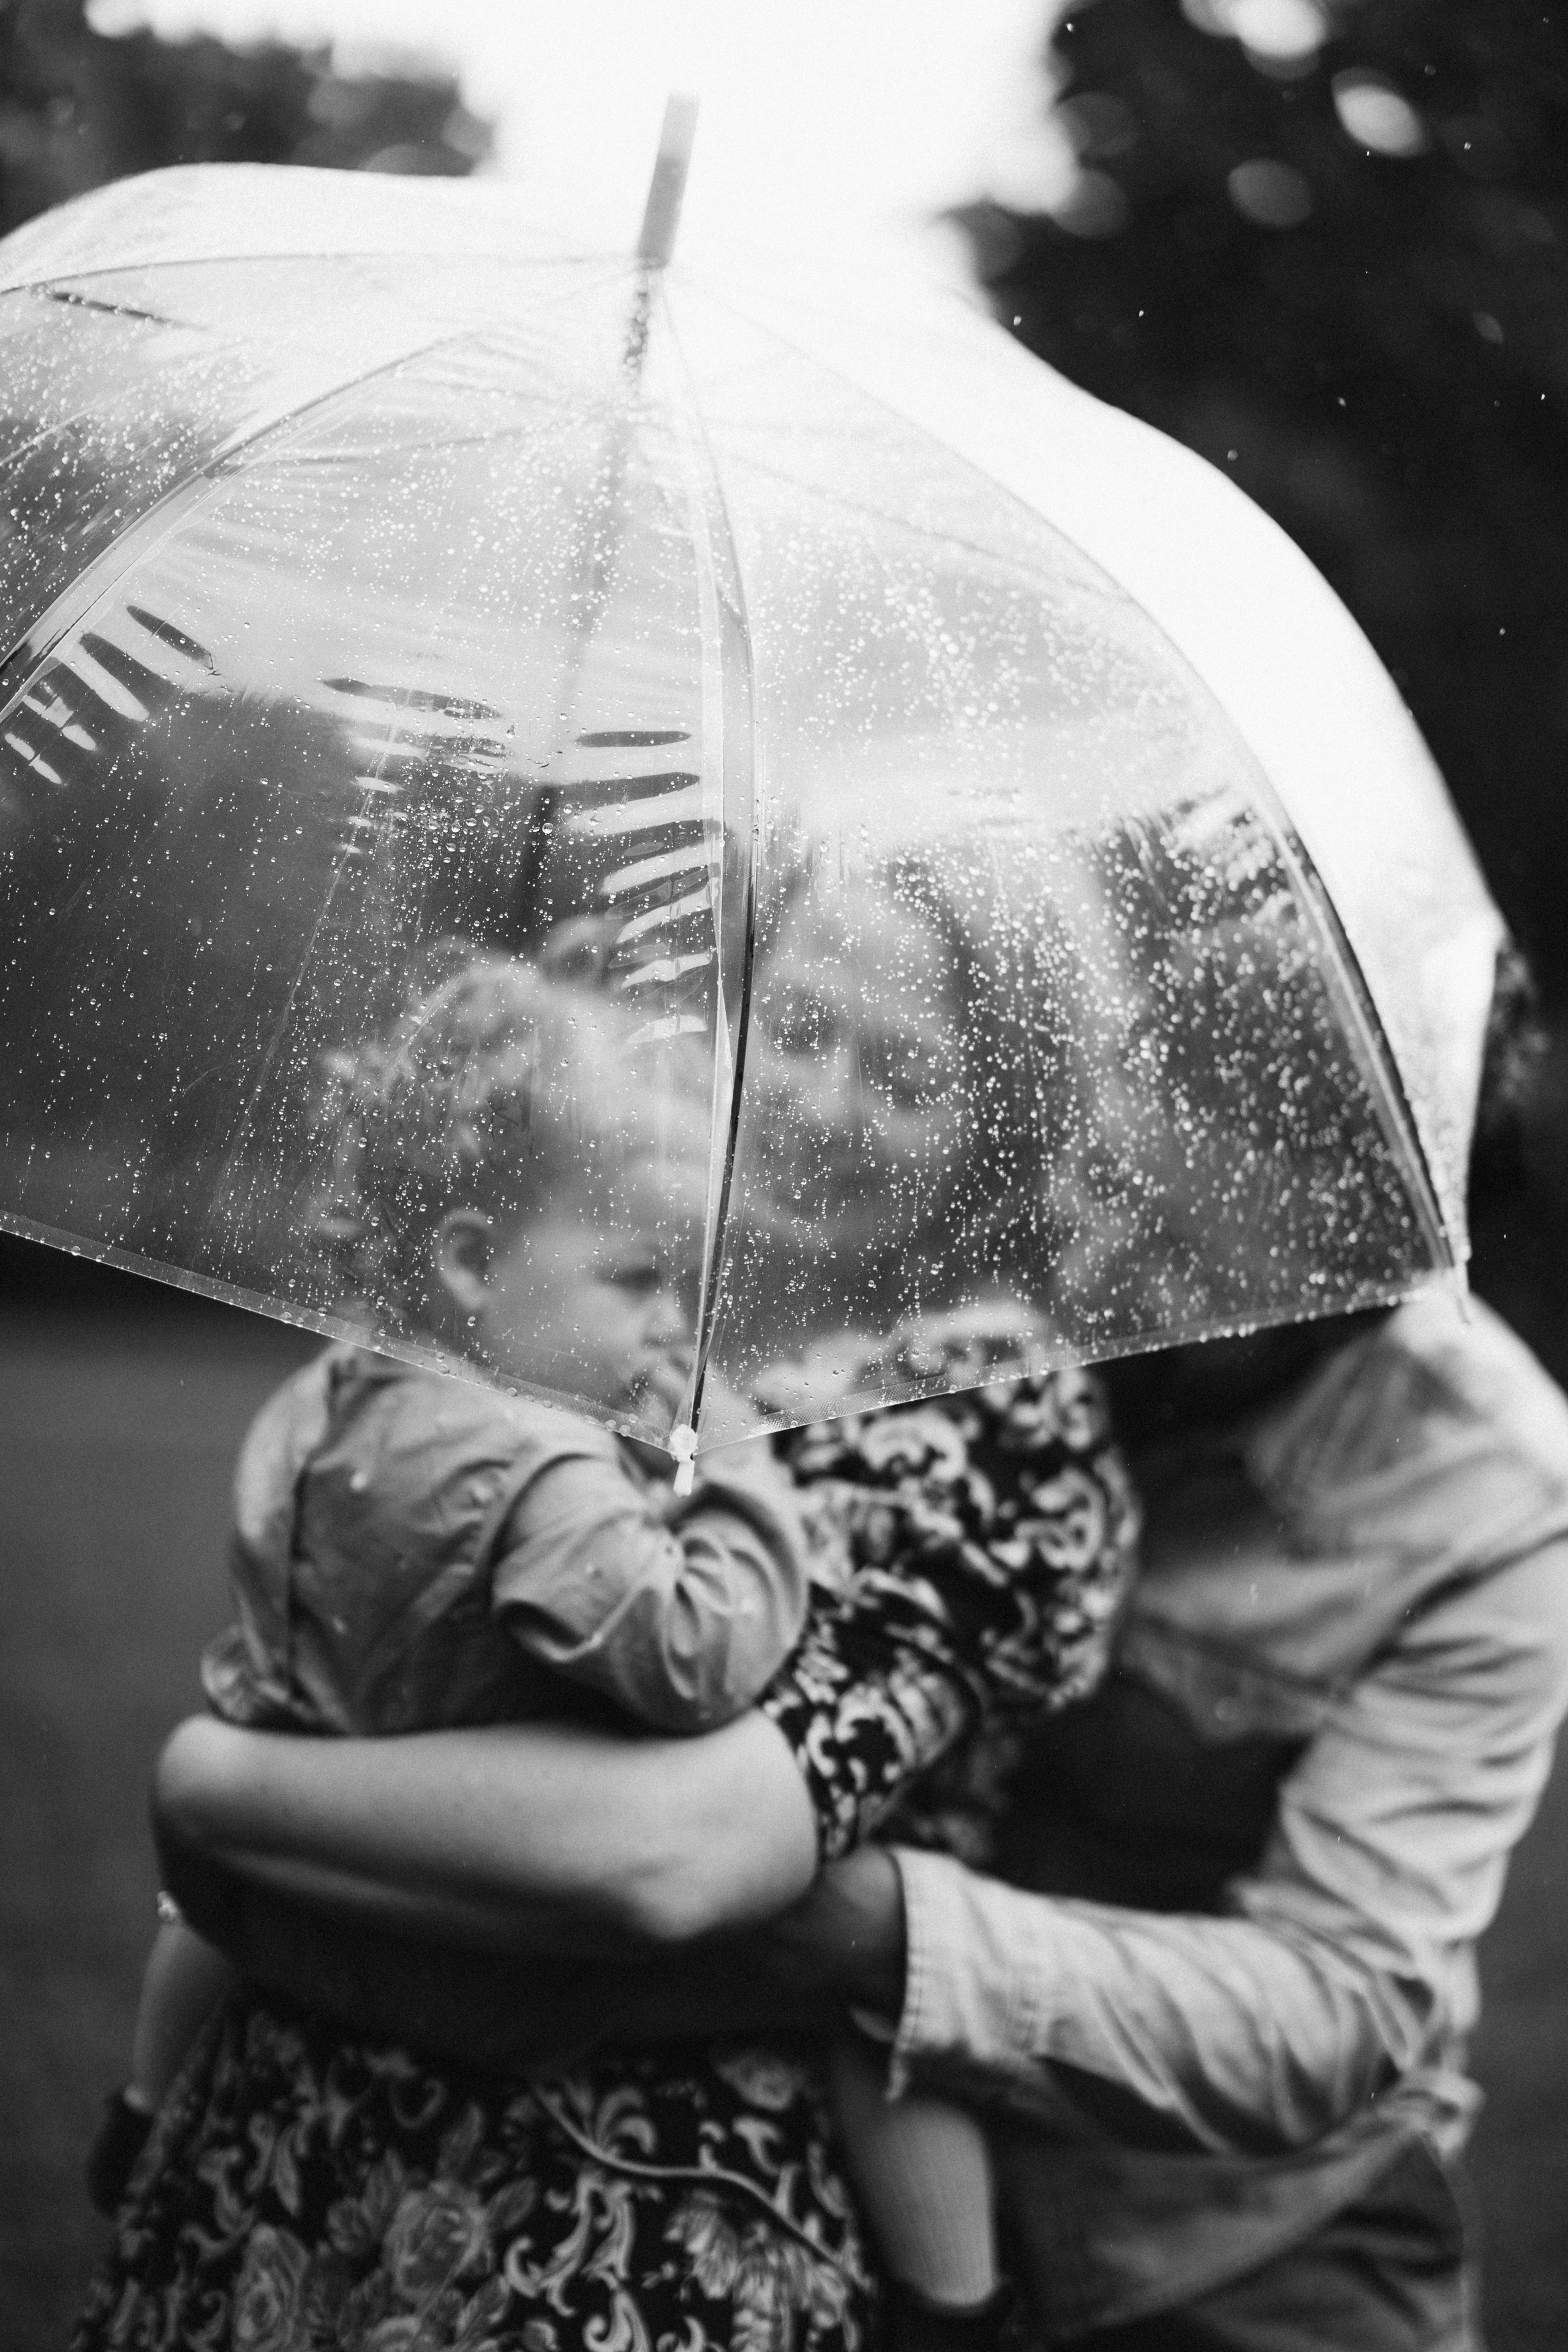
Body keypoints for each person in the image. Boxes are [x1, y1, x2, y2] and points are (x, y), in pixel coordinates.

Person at [105, 946, 1568, 2352]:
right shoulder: (656, 1304)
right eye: (1105, 1168)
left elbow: (1333, 2006)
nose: (1101, 1247)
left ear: (1355, 1263)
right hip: (797, 2136)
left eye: (1173, 1235)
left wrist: (215, 1786)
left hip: (1235, 2249)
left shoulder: (1468, 1489)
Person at [75, 904, 1139, 2352]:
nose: (821, 1100)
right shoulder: (573, 1272)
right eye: (802, 1027)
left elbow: (667, 1848)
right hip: (304, 2113)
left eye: (901, 1076)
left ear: (991, 1136)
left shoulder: (977, 1391)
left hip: (633, 2186)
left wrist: (218, 1789)